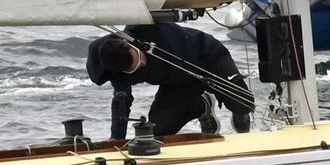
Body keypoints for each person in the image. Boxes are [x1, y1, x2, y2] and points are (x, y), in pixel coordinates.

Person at [86, 23, 253, 140]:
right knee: (158, 132)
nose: (142, 63)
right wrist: (117, 137)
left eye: (139, 56)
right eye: (135, 67)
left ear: (128, 43)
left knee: (243, 102)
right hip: (179, 84)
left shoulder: (142, 26)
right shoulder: (116, 70)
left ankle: (239, 112)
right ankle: (203, 107)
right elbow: (122, 99)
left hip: (207, 57)